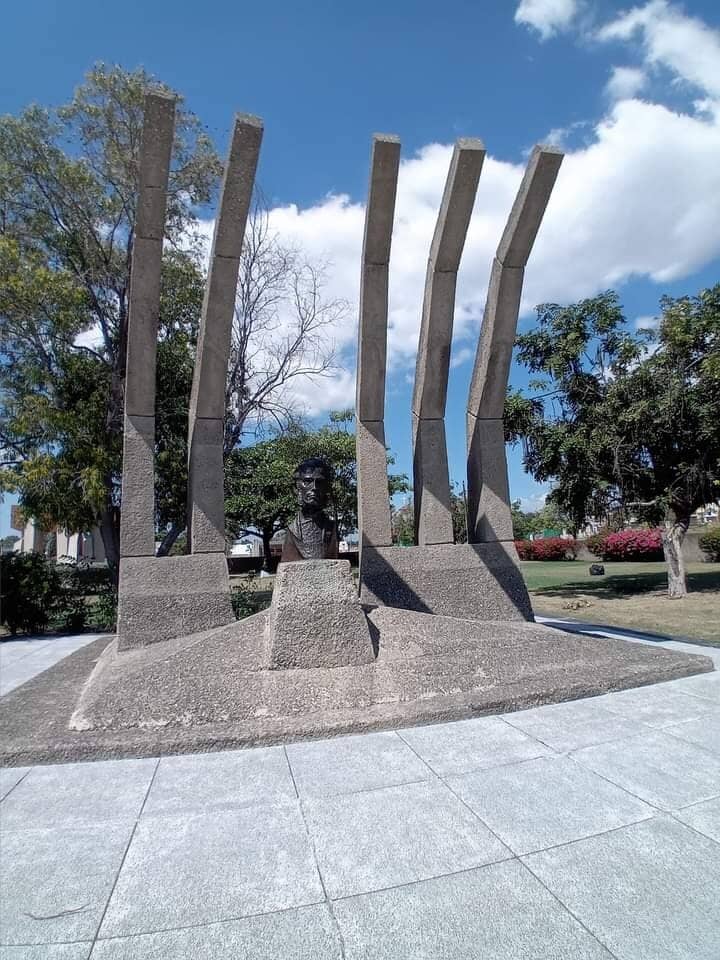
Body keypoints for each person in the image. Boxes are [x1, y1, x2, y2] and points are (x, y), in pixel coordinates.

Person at [280, 457, 339, 562]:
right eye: (307, 481)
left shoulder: (331, 527)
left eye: (320, 482)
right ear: (297, 488)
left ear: (326, 488)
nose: (314, 487)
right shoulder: (291, 530)